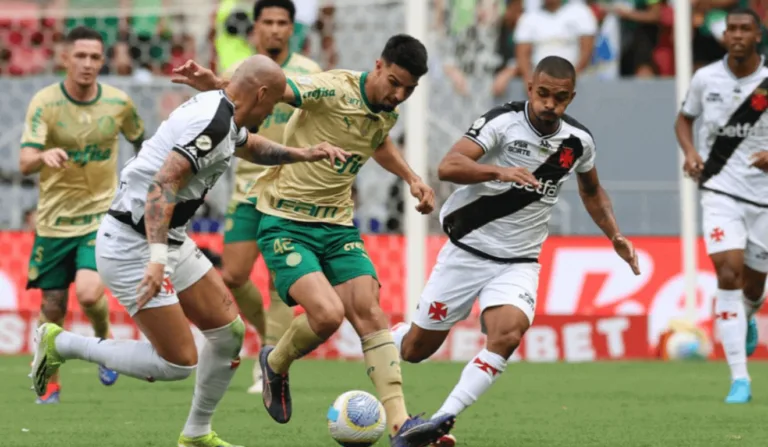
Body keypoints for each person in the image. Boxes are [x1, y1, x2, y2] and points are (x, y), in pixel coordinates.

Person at [30, 55, 349, 447]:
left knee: (228, 334)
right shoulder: (213, 120)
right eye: (275, 103)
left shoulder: (225, 113)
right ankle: (60, 343)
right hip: (135, 244)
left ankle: (196, 434)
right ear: (262, 94)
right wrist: (156, 260)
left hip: (166, 236)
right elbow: (163, 184)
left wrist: (300, 154)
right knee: (178, 362)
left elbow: (248, 146)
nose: (275, 111)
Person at [171, 34, 456, 447]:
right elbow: (270, 88)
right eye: (393, 82)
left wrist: (412, 177)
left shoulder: (385, 110)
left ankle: (401, 426)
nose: (398, 95)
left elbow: (377, 141)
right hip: (286, 222)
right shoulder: (331, 87)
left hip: (338, 226)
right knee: (326, 315)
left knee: (369, 312)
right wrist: (216, 83)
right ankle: (276, 361)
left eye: (408, 90)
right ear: (377, 65)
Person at [390, 56, 640, 446]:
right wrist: (500, 171)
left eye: (559, 98)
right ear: (529, 88)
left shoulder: (578, 142)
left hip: (519, 261)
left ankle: (440, 420)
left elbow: (591, 191)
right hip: (468, 247)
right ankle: (387, 338)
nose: (549, 105)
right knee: (415, 351)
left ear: (571, 98)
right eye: (542, 94)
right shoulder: (501, 122)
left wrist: (615, 234)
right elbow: (449, 165)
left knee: (507, 335)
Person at [19, 25, 146, 404]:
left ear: (103, 60)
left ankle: (104, 343)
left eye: (94, 57)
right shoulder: (44, 102)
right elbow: (24, 159)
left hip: (100, 217)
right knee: (52, 308)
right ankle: (51, 384)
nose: (88, 64)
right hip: (53, 222)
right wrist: (43, 155)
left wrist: (137, 185)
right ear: (65, 58)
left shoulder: (119, 103)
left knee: (90, 293)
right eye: (80, 56)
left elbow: (143, 142)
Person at [221, 0, 323, 395]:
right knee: (233, 274)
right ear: (256, 27)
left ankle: (267, 359)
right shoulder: (238, 74)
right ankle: (269, 332)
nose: (276, 30)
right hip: (247, 187)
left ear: (292, 28)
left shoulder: (310, 73)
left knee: (282, 281)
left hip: (292, 189)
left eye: (283, 23)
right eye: (269, 22)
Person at [674, 7, 768, 404]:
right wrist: (691, 151)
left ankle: (747, 314)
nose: (737, 35)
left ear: (757, 36)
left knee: (754, 285)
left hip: (763, 196)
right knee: (727, 273)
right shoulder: (704, 77)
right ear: (724, 35)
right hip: (719, 190)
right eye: (731, 29)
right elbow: (684, 119)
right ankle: (739, 380)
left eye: (745, 29)